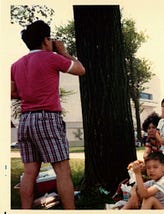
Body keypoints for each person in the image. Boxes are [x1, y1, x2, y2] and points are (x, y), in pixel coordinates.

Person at [11, 20, 85, 209]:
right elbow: (80, 70)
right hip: (47, 118)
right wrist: (63, 52)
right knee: (62, 171)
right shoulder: (51, 57)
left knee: (29, 173)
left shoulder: (16, 65)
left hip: (25, 120)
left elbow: (12, 93)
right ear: (46, 40)